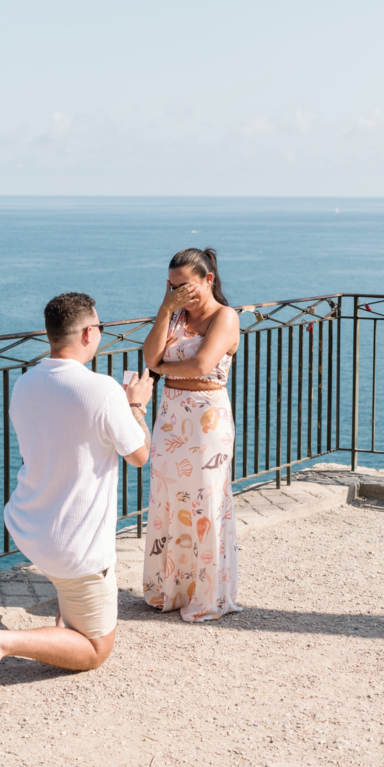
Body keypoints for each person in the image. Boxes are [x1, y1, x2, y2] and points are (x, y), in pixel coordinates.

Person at [0, 292, 153, 698]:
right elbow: (139, 455)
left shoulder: (25, 383)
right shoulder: (102, 391)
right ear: (88, 333)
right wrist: (135, 405)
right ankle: (3, 643)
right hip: (76, 547)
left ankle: (66, 617)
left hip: (30, 526)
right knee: (95, 650)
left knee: (72, 596)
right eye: (99, 326)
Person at [139, 247, 241, 622]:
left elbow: (201, 364)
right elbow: (149, 357)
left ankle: (208, 594)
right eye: (172, 286)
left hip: (206, 420)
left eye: (185, 286)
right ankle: (170, 590)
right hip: (171, 417)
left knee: (206, 500)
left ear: (208, 280)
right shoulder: (175, 315)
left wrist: (164, 367)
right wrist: (165, 310)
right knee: (169, 500)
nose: (179, 292)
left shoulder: (224, 317)